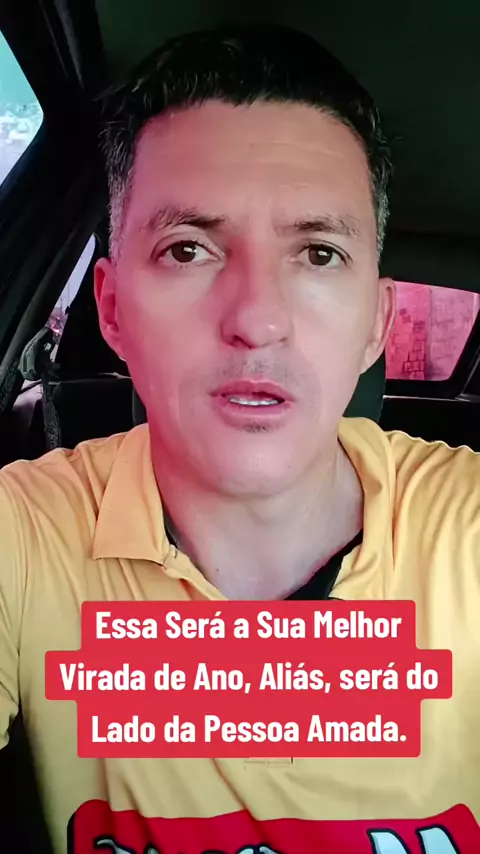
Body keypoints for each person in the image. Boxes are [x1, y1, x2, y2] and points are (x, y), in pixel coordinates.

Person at [0, 23, 479, 854]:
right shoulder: (24, 536)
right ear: (110, 310)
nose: (257, 319)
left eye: (318, 253)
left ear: (377, 322)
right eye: (189, 249)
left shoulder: (465, 527)